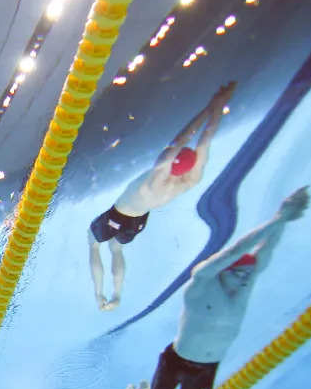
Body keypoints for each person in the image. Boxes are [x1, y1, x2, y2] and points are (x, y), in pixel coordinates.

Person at [124, 186, 310, 389]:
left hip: (208, 367)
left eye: (247, 274)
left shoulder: (245, 284)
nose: (244, 279)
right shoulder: (202, 282)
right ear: (225, 269)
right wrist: (278, 218)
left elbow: (267, 249)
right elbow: (235, 251)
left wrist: (285, 220)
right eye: (239, 273)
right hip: (177, 360)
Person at [88, 82, 237, 311]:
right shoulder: (192, 179)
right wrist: (217, 110)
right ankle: (117, 295)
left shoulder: (158, 176)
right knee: (117, 248)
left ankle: (99, 295)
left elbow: (182, 139)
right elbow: (205, 140)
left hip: (119, 213)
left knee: (94, 244)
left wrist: (209, 107)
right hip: (139, 221)